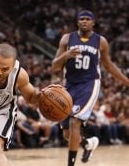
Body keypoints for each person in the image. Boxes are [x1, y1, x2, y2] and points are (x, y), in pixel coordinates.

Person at [52, 10, 129, 166]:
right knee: (67, 133)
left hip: (89, 84)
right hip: (70, 85)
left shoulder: (101, 41)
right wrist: (65, 56)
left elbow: (108, 65)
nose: (85, 21)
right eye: (82, 19)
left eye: (88, 19)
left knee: (75, 121)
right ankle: (88, 144)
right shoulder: (67, 39)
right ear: (77, 22)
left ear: (93, 23)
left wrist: (126, 81)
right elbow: (54, 67)